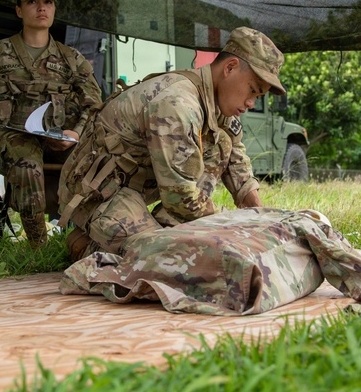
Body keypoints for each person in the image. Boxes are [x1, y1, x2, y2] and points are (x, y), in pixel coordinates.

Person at [57, 26, 286, 261]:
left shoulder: (219, 100)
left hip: (135, 184)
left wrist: (260, 217)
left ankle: (164, 227)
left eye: (257, 97)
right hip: (97, 192)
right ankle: (86, 243)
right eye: (252, 90)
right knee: (166, 261)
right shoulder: (178, 103)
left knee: (222, 144)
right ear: (230, 68)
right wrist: (228, 225)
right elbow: (181, 198)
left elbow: (237, 160)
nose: (251, 103)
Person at [0, 0, 101, 248]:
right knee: (26, 158)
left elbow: (93, 103)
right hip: (6, 139)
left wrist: (75, 133)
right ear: (19, 10)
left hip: (58, 139)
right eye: (32, 2)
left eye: (47, 2)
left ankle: (91, 235)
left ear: (54, 9)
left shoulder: (71, 59)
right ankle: (38, 247)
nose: (41, 8)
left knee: (100, 159)